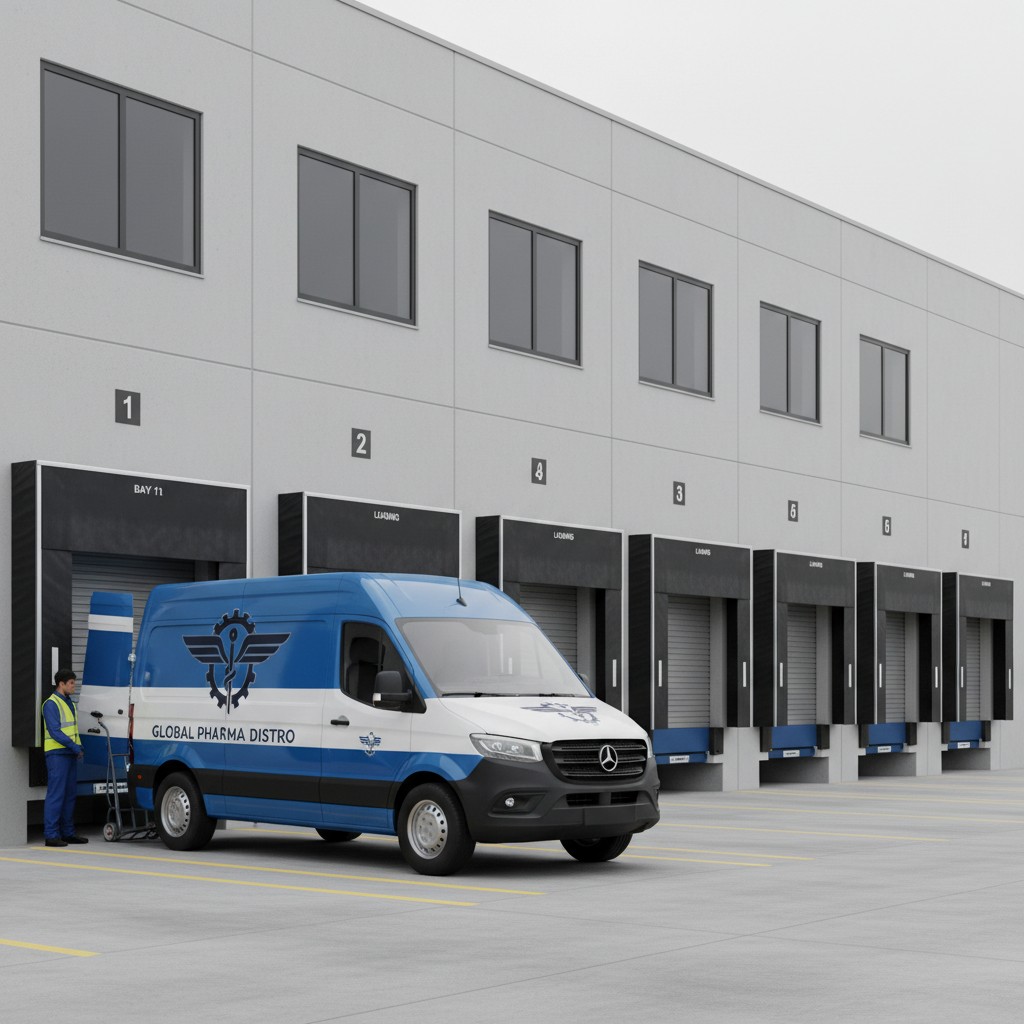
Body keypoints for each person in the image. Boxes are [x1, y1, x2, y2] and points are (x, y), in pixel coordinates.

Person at [42, 668, 88, 847]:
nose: (74, 686)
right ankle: (51, 835)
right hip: (57, 755)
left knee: (69, 795)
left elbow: (73, 729)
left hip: (70, 754)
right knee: (56, 795)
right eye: (71, 683)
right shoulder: (51, 704)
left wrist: (79, 746)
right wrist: (74, 746)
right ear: (61, 684)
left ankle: (68, 833)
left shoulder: (70, 703)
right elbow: (54, 731)